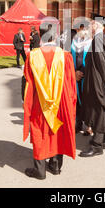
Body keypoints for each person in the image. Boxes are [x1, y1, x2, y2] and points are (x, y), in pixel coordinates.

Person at [22, 24, 77, 179]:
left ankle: (39, 170)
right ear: (55, 36)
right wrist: (72, 102)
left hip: (40, 102)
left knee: (40, 131)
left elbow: (28, 82)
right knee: (57, 130)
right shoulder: (65, 56)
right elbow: (71, 83)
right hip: (61, 101)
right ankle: (55, 165)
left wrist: (26, 102)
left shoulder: (33, 56)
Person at [80, 13, 105, 157]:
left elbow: (102, 61)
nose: (89, 26)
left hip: (98, 81)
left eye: (90, 24)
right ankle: (104, 140)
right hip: (101, 79)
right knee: (103, 108)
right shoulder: (103, 39)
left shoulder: (97, 40)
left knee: (99, 110)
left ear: (96, 25)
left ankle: (97, 145)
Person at [71, 27, 92, 133]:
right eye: (80, 29)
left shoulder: (91, 43)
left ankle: (88, 125)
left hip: (86, 76)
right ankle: (78, 124)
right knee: (76, 101)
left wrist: (82, 72)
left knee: (87, 101)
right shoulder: (73, 43)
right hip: (75, 76)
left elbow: (91, 60)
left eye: (84, 29)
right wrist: (74, 72)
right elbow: (69, 59)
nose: (83, 31)